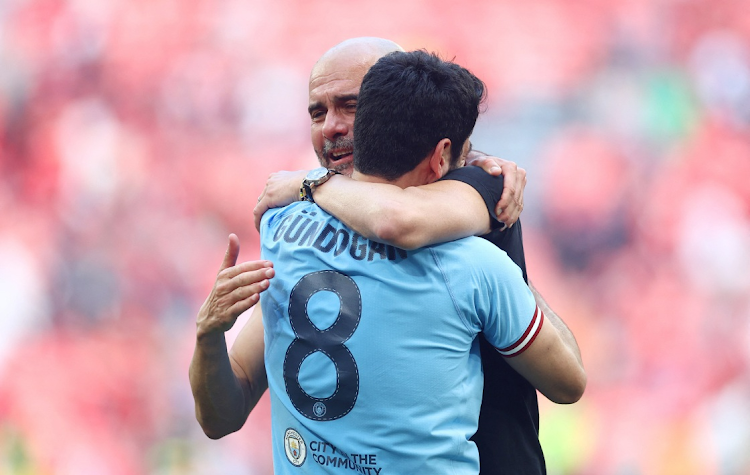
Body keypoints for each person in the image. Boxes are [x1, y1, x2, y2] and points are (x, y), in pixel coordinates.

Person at [190, 37, 582, 474]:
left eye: (351, 106)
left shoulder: (479, 192)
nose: (331, 127)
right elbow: (225, 410)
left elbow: (396, 220)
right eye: (318, 112)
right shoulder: (296, 238)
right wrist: (208, 337)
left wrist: (309, 181)